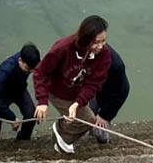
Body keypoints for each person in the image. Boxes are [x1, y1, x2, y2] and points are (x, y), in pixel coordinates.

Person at [33, 15, 112, 154]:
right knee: (86, 119)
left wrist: (77, 103)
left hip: (76, 92)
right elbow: (40, 72)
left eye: (104, 40)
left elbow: (93, 84)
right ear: (85, 39)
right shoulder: (62, 48)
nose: (100, 46)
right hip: (57, 91)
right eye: (96, 42)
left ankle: (61, 131)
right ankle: (61, 131)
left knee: (87, 120)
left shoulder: (104, 56)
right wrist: (42, 101)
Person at [0, 44, 42, 141]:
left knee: (31, 113)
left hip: (19, 89)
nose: (31, 72)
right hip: (3, 94)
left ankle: (23, 139)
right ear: (20, 60)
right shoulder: (3, 73)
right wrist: (12, 118)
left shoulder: (31, 61)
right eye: (28, 69)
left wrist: (42, 103)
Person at [89, 45, 130, 144]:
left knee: (100, 130)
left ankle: (102, 139)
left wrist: (104, 115)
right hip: (90, 88)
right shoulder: (77, 49)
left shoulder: (115, 64)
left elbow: (122, 90)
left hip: (105, 98)